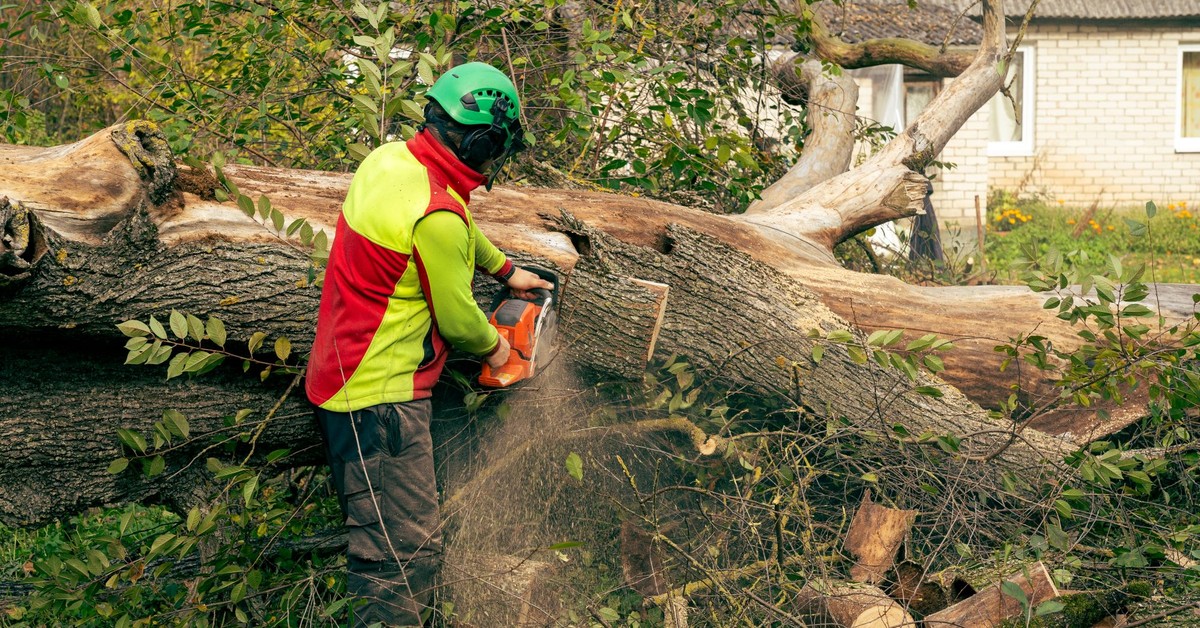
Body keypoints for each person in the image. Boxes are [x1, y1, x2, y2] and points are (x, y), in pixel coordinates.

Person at [305, 61, 553, 627]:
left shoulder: (392, 160)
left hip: (342, 371)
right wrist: (501, 352)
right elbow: (461, 322)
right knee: (400, 561)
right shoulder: (439, 213)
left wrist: (504, 269)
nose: (496, 162)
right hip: (380, 401)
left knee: (397, 548)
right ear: (482, 140)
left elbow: (448, 224)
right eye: (497, 149)